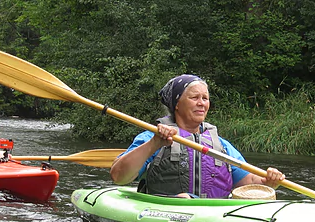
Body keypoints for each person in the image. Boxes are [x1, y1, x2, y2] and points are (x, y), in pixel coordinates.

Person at [110, 74, 285, 198]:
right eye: (195, 97)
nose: (202, 103)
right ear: (177, 104)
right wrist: (154, 144)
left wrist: (267, 181)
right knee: (185, 198)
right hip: (168, 210)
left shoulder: (221, 145)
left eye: (205, 98)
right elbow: (119, 177)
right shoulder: (151, 137)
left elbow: (248, 182)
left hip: (214, 215)